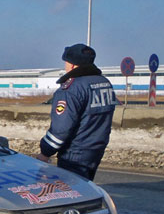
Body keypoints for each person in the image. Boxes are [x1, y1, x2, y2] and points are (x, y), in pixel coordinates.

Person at [34, 43, 117, 180]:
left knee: (71, 190)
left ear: (72, 65)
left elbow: (61, 129)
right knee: (86, 187)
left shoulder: (71, 89)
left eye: (66, 62)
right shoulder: (105, 83)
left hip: (74, 153)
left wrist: (45, 152)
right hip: (96, 149)